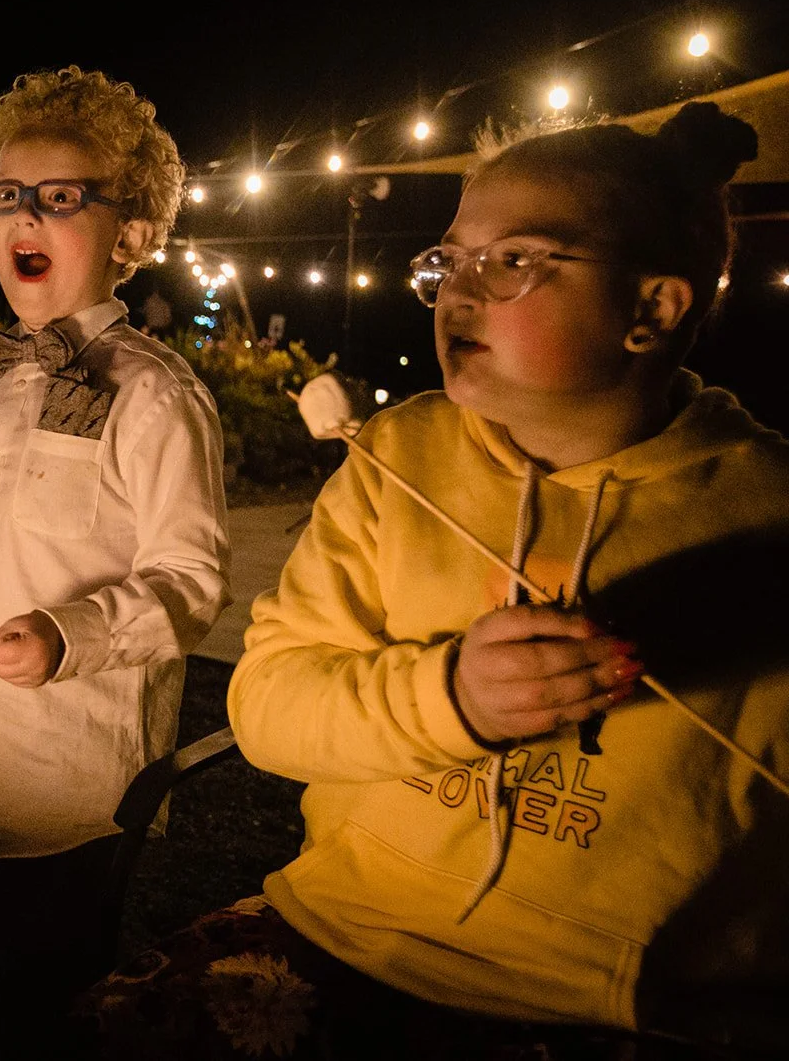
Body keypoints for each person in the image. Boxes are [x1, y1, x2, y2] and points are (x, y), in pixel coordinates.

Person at [81, 104, 789, 1057]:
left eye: (512, 262)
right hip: (347, 930)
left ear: (652, 308)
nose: (457, 293)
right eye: (448, 261)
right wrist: (449, 698)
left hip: (629, 1006)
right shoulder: (398, 456)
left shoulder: (765, 515)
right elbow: (269, 704)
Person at [0, 66, 231, 1058]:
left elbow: (188, 580)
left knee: (45, 1025)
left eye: (60, 198)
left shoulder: (156, 396)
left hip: (66, 794)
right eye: (7, 196)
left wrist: (71, 633)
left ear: (133, 235)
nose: (25, 215)